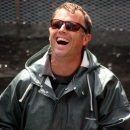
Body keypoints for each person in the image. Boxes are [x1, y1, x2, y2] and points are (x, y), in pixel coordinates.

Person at [0, 2, 130, 130]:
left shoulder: (106, 85)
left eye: (71, 26)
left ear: (86, 39)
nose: (62, 29)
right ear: (50, 32)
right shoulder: (25, 82)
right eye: (56, 24)